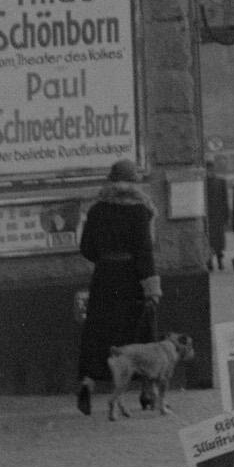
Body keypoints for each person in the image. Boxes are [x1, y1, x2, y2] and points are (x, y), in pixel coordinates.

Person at [75, 158, 161, 415]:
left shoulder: (97, 209)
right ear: (135, 181)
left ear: (111, 181)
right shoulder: (140, 210)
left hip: (104, 279)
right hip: (132, 280)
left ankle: (87, 384)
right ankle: (147, 392)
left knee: (99, 333)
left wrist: (105, 261)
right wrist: (152, 288)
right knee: (141, 334)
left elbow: (86, 249)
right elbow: (144, 252)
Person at [204, 163, 229, 275]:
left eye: (211, 169)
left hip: (218, 216)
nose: (209, 171)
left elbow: (225, 200)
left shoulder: (220, 182)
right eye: (208, 169)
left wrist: (226, 216)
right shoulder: (203, 183)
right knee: (208, 240)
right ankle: (209, 261)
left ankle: (220, 260)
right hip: (207, 217)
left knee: (218, 241)